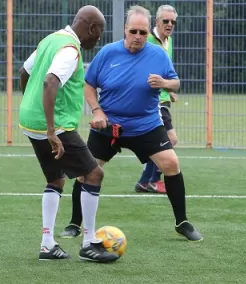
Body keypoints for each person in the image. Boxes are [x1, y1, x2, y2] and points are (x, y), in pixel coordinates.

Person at [60, 5, 203, 242]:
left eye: (143, 33)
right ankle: (75, 223)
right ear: (125, 29)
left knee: (171, 163)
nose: (138, 37)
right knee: (86, 171)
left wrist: (164, 83)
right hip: (109, 126)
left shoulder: (158, 55)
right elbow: (88, 84)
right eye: (133, 31)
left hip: (146, 124)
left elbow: (176, 83)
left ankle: (182, 222)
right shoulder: (107, 53)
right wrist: (96, 111)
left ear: (149, 31)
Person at [19, 5, 120, 262]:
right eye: (99, 33)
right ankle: (89, 243)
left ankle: (47, 244)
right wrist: (52, 130)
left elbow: (24, 72)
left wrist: (33, 107)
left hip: (31, 122)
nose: (98, 40)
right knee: (94, 174)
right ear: (91, 28)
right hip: (56, 126)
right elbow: (50, 81)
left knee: (56, 179)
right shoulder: (70, 50)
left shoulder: (50, 40)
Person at [135, 5, 178, 194]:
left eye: (173, 22)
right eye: (166, 21)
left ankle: (146, 181)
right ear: (157, 22)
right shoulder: (148, 40)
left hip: (163, 97)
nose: (169, 25)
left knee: (162, 141)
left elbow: (164, 71)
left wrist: (169, 88)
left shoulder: (168, 41)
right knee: (170, 139)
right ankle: (152, 180)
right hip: (153, 101)